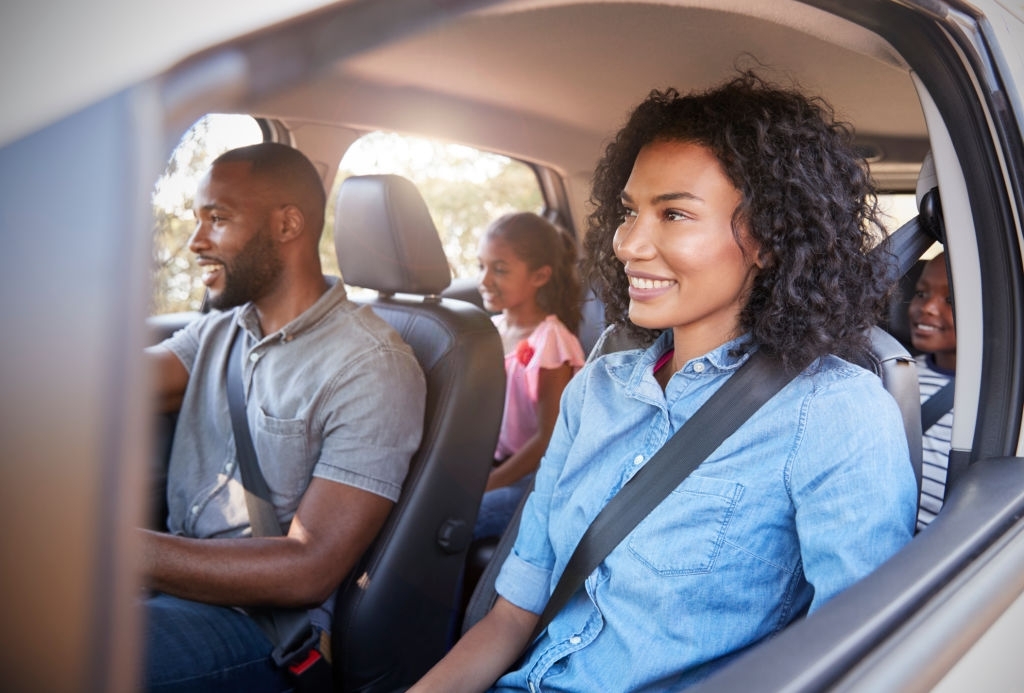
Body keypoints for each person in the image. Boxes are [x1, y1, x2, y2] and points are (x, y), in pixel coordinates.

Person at [410, 71, 917, 692]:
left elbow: (862, 660)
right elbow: (511, 615)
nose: (628, 244)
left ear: (768, 239)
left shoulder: (833, 412)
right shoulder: (596, 389)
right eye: (630, 212)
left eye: (674, 213)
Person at [140, 142, 426, 692]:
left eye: (217, 219)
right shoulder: (220, 330)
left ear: (288, 224)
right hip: (180, 583)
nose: (197, 242)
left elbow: (307, 567)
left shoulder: (371, 366)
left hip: (266, 629)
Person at [473, 212, 586, 541]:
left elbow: (547, 439)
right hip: (495, 463)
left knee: (455, 516)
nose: (484, 279)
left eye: (500, 269)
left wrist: (490, 484)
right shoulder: (490, 331)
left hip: (534, 478)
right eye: (481, 266)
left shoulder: (551, 341)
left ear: (540, 276)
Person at [908, 252, 956, 530]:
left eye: (950, 300)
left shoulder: (1002, 398)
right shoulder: (897, 372)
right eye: (921, 293)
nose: (927, 308)